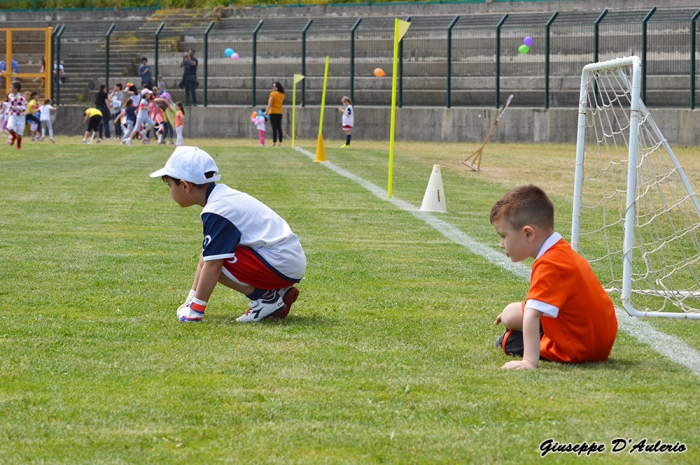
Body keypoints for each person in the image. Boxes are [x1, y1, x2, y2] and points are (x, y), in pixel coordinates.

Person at [149, 146, 306, 323]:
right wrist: (190, 301)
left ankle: (265, 298)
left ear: (185, 186)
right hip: (284, 259)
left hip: (281, 261)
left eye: (170, 185)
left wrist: (196, 310)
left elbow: (213, 265)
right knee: (207, 255)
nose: (170, 191)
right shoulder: (221, 197)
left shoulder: (217, 209)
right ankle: (278, 292)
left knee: (214, 260)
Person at [490, 184, 618, 370]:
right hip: (597, 341)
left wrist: (528, 361)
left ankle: (511, 340)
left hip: (579, 349)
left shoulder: (548, 264)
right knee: (511, 314)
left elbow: (533, 315)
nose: (501, 244)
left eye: (503, 236)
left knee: (511, 338)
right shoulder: (561, 250)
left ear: (528, 233)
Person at [6, 81, 27, 150]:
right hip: (12, 115)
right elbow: (10, 105)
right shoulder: (9, 96)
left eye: (11, 87)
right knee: (9, 127)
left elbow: (25, 107)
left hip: (20, 116)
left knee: (19, 132)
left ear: (16, 89)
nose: (10, 88)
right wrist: (8, 111)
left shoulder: (21, 98)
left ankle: (18, 146)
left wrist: (18, 107)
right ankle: (14, 136)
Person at [264, 81, 284, 146]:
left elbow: (270, 104)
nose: (272, 87)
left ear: (277, 87)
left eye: (274, 86)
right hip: (280, 112)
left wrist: (266, 111)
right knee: (279, 127)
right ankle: (280, 142)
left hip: (273, 112)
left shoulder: (273, 94)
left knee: (274, 128)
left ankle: (274, 142)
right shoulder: (282, 95)